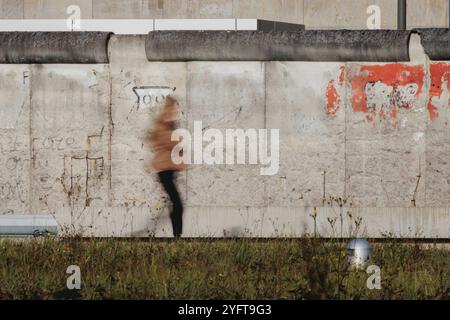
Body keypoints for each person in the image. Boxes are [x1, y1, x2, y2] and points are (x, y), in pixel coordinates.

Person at [148, 96, 187, 238]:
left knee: (176, 203)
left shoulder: (167, 126)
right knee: (177, 204)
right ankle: (177, 236)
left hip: (168, 170)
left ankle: (177, 236)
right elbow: (173, 144)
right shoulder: (164, 126)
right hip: (164, 171)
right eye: (174, 110)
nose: (176, 113)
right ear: (168, 109)